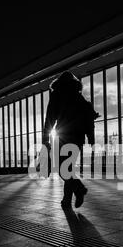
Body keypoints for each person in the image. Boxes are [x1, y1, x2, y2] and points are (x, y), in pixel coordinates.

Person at [43, 71, 98, 209]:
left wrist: (45, 138)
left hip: (64, 137)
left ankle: (79, 189)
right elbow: (89, 120)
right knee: (68, 168)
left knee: (63, 169)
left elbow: (50, 117)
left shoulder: (57, 95)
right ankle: (66, 201)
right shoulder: (80, 98)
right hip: (78, 138)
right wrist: (91, 140)